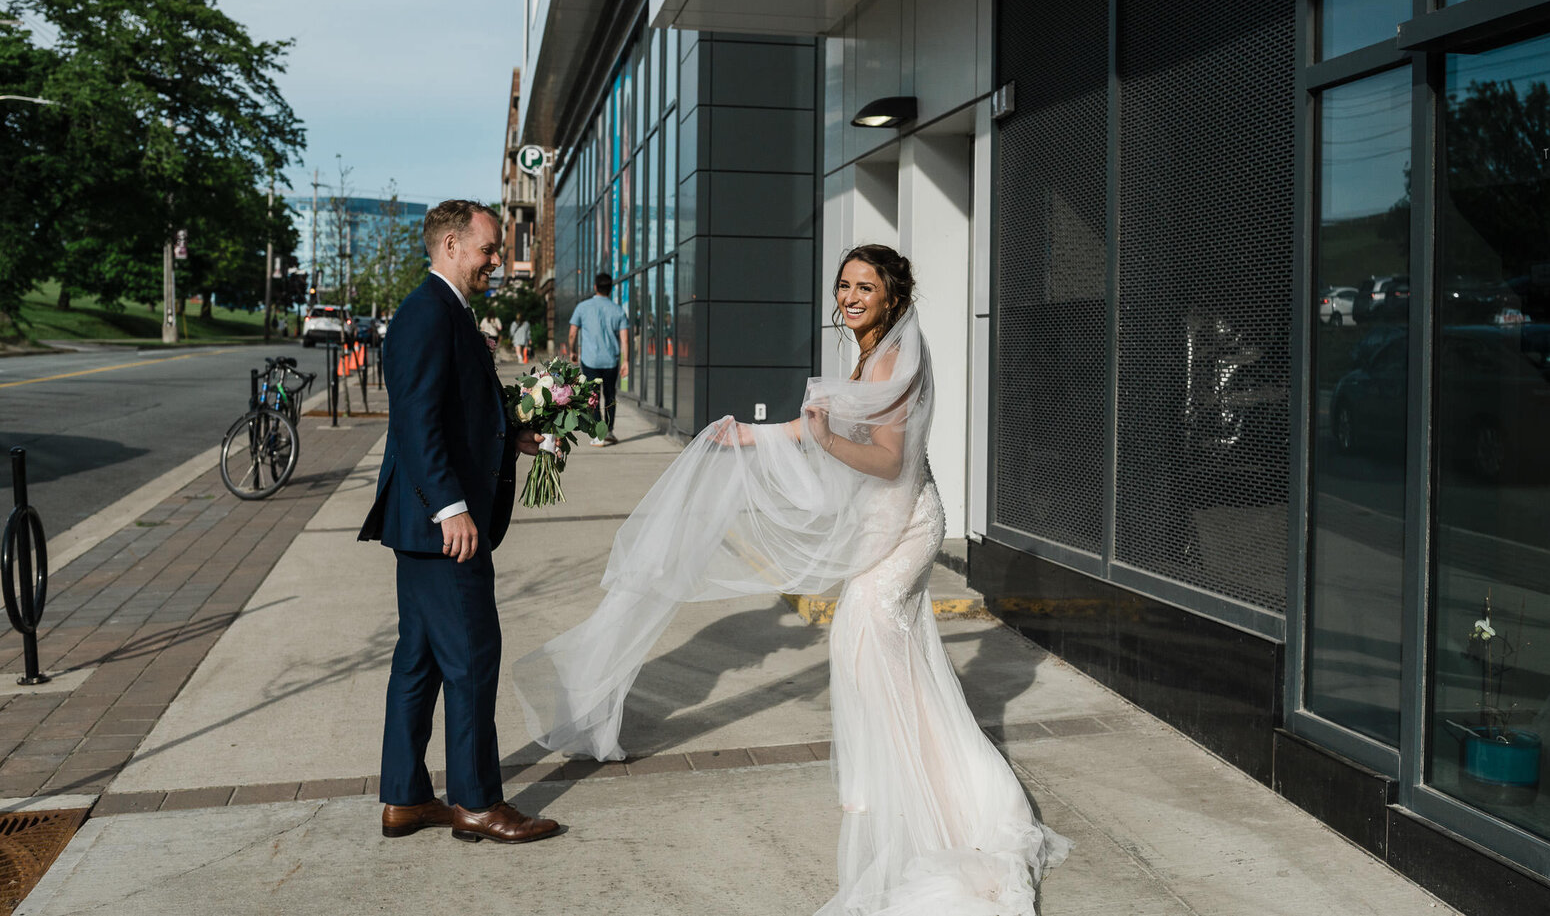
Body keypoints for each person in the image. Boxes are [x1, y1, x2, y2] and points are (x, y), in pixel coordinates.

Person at [515, 245, 1068, 913]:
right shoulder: (868, 353)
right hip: (882, 518)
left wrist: (823, 437)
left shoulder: (897, 357)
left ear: (894, 296)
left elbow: (888, 457)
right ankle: (909, 781)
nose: (852, 295)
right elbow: (822, 430)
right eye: (845, 284)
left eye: (867, 286)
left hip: (905, 525)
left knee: (868, 645)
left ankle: (931, 797)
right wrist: (750, 438)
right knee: (889, 659)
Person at [358, 199, 561, 845]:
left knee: (418, 660)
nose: (496, 261)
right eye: (489, 249)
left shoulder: (445, 311)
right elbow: (415, 421)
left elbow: (456, 408)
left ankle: (406, 796)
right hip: (438, 521)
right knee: (473, 655)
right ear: (450, 244)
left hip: (419, 523)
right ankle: (475, 800)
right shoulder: (426, 312)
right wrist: (450, 506)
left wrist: (513, 435)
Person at [567, 273, 629, 445]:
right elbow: (624, 339)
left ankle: (597, 434)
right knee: (610, 395)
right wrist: (626, 361)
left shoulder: (583, 307)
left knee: (592, 396)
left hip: (590, 360)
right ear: (611, 289)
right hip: (611, 360)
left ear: (595, 287)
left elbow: (572, 333)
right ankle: (608, 431)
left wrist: (572, 351)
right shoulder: (617, 310)